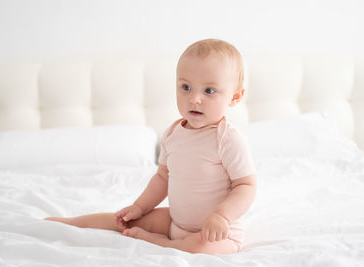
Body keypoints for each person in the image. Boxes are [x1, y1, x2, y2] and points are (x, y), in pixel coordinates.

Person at [45, 38, 257, 255]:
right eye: (186, 87)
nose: (194, 98)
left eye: (209, 91)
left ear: (235, 96)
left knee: (201, 247)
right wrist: (140, 207)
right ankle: (72, 223)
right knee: (124, 221)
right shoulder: (173, 134)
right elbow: (163, 177)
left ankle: (161, 243)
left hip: (217, 232)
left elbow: (246, 186)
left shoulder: (228, 139)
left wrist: (222, 216)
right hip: (175, 222)